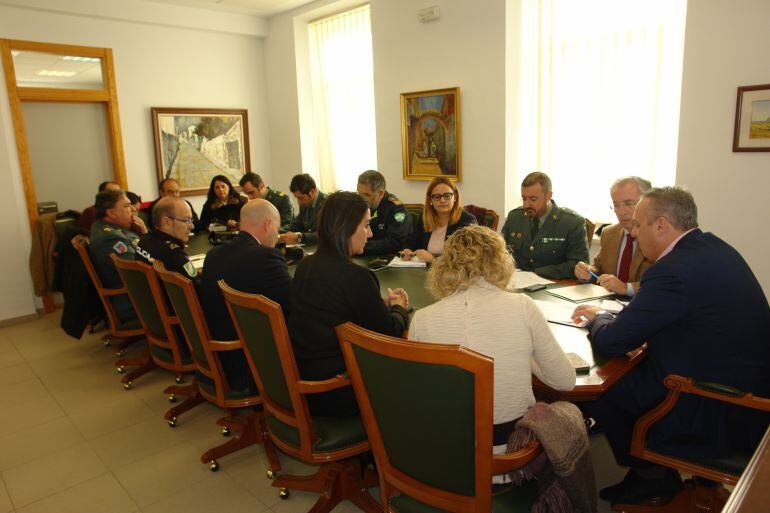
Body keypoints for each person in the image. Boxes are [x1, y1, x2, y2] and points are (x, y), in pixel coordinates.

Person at [571, 187, 770, 505]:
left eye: (638, 224)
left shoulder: (671, 271)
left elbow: (614, 339)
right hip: (745, 387)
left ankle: (652, 477)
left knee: (601, 388)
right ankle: (655, 472)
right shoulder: (713, 248)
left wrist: (598, 318)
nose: (633, 233)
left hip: (717, 405)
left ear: (661, 225)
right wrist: (614, 315)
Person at [410, 225, 576, 457]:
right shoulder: (523, 307)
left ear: (446, 265)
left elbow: (421, 393)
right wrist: (525, 353)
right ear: (500, 261)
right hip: (511, 453)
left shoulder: (421, 319)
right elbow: (565, 381)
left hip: (448, 453)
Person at [288, 191, 409, 417]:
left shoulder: (305, 265)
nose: (370, 233)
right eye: (365, 226)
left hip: (305, 378)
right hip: (339, 389)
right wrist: (399, 308)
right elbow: (389, 333)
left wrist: (377, 304)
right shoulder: (358, 277)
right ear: (345, 228)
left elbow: (334, 311)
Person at [199, 199, 292, 393]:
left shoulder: (214, 254)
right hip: (253, 359)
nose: (278, 234)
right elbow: (292, 306)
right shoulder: (267, 256)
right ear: (268, 224)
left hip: (221, 352)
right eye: (277, 227)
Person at [575, 176, 653, 296]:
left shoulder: (657, 237)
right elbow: (598, 268)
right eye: (616, 205)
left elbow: (661, 283)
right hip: (607, 305)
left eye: (628, 203)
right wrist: (588, 272)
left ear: (647, 203)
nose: (621, 211)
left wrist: (626, 288)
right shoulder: (609, 233)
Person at [502, 172, 589, 279]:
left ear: (548, 195)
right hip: (517, 283)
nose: (526, 205)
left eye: (533, 199)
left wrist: (536, 273)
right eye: (524, 198)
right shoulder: (515, 217)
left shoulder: (572, 222)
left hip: (555, 285)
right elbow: (500, 253)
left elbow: (578, 265)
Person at [89, 189, 148, 323]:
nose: (133, 209)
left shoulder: (108, 228)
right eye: (127, 206)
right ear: (111, 212)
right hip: (133, 301)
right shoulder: (111, 238)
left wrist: (145, 232)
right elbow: (140, 270)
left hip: (135, 293)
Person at [400, 176, 477, 263]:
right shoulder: (424, 218)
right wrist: (407, 250)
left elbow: (468, 258)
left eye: (447, 196)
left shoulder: (467, 221)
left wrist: (434, 260)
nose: (442, 200)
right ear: (430, 200)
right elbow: (411, 242)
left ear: (455, 197)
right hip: (423, 272)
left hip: (454, 274)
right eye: (437, 197)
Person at [136, 196, 197, 280]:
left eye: (191, 220)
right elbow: (196, 288)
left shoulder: (143, 242)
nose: (192, 226)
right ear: (166, 222)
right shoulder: (175, 256)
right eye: (186, 220)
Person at [356, 170, 411, 255]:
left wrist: (358, 246)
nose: (362, 199)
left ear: (381, 193)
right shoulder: (357, 204)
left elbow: (394, 242)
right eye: (360, 194)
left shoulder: (397, 210)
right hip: (361, 254)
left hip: (387, 259)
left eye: (367, 195)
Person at [280, 173, 326, 245]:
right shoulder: (304, 204)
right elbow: (296, 224)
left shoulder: (328, 204)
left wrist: (299, 238)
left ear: (312, 192)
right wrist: (277, 232)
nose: (299, 203)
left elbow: (326, 235)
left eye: (300, 198)